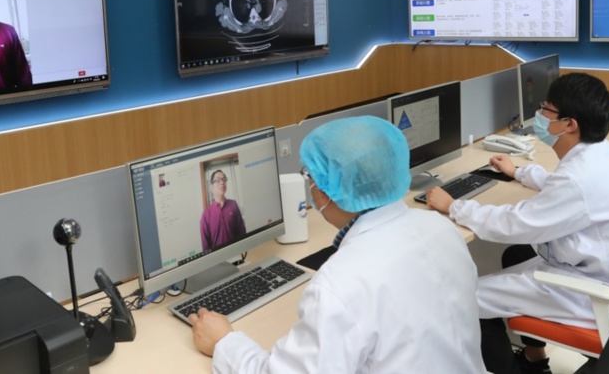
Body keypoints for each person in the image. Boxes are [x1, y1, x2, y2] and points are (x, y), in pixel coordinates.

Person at [189, 116, 485, 373]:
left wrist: (225, 342)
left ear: (324, 191)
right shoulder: (440, 228)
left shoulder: (340, 283)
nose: (312, 186)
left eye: (311, 176)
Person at [426, 73, 609, 374]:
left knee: (467, 298)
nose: (539, 115)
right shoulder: (601, 154)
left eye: (546, 109)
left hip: (601, 292)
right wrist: (521, 173)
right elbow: (568, 191)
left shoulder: (579, 178)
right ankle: (535, 361)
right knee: (516, 255)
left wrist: (454, 206)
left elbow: (515, 223)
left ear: (569, 124)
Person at [200, 169, 246, 251]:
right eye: (217, 180)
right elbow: (206, 246)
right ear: (212, 187)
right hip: (218, 259)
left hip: (236, 253)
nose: (222, 182)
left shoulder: (233, 204)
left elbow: (242, 232)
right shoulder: (206, 214)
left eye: (224, 179)